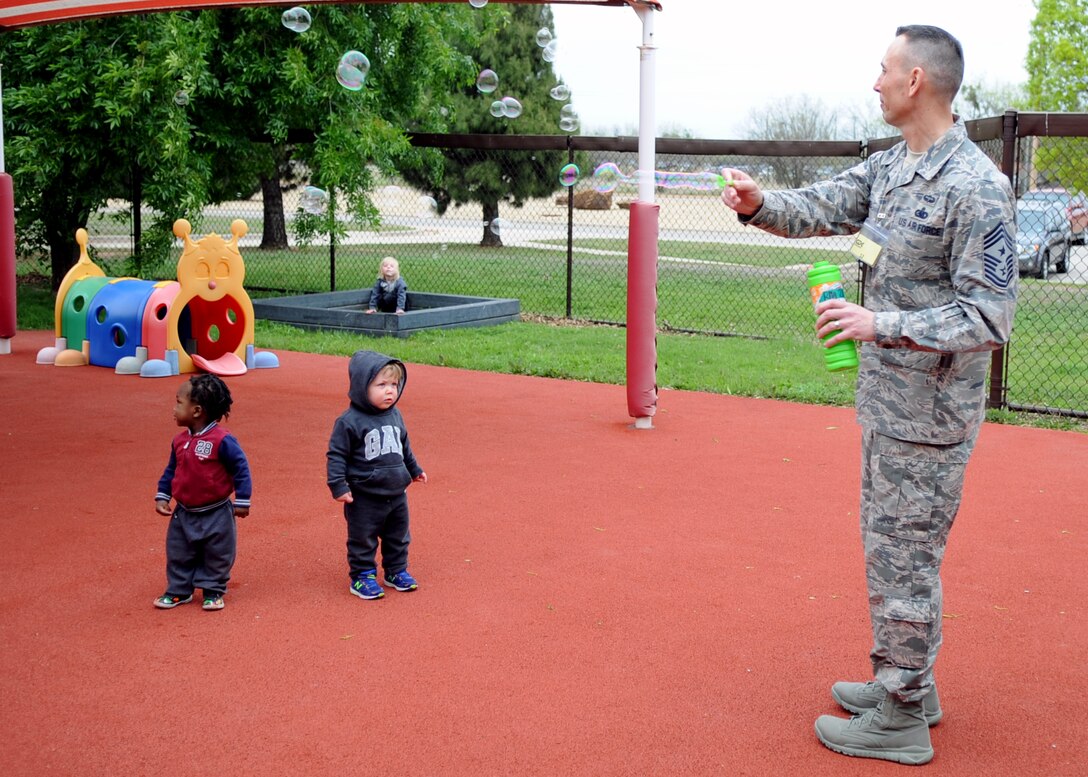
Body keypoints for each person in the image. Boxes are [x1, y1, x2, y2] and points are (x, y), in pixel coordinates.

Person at [721, 25, 1017, 765]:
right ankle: (911, 681)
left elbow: (989, 317)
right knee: (898, 554)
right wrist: (760, 203)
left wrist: (876, 321)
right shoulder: (894, 166)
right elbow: (825, 203)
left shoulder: (978, 186)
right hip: (893, 405)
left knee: (903, 559)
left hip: (930, 416)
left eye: (884, 69)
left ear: (917, 80)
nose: (874, 81)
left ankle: (901, 715)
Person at [326, 350, 427, 600]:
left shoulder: (395, 415)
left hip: (396, 493)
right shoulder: (349, 422)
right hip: (364, 497)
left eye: (394, 384)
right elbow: (336, 455)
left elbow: (404, 447)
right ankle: (362, 576)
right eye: (381, 385)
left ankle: (396, 570)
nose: (390, 391)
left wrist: (414, 470)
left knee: (398, 536)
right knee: (363, 539)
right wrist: (338, 485)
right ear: (362, 386)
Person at [154, 374, 252, 612]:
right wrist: (163, 495)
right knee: (178, 551)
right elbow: (171, 469)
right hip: (184, 511)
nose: (174, 408)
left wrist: (242, 500)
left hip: (216, 511)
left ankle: (213, 589)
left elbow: (241, 468)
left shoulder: (222, 440)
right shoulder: (179, 441)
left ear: (196, 410)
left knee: (217, 553)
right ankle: (179, 590)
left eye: (179, 402)